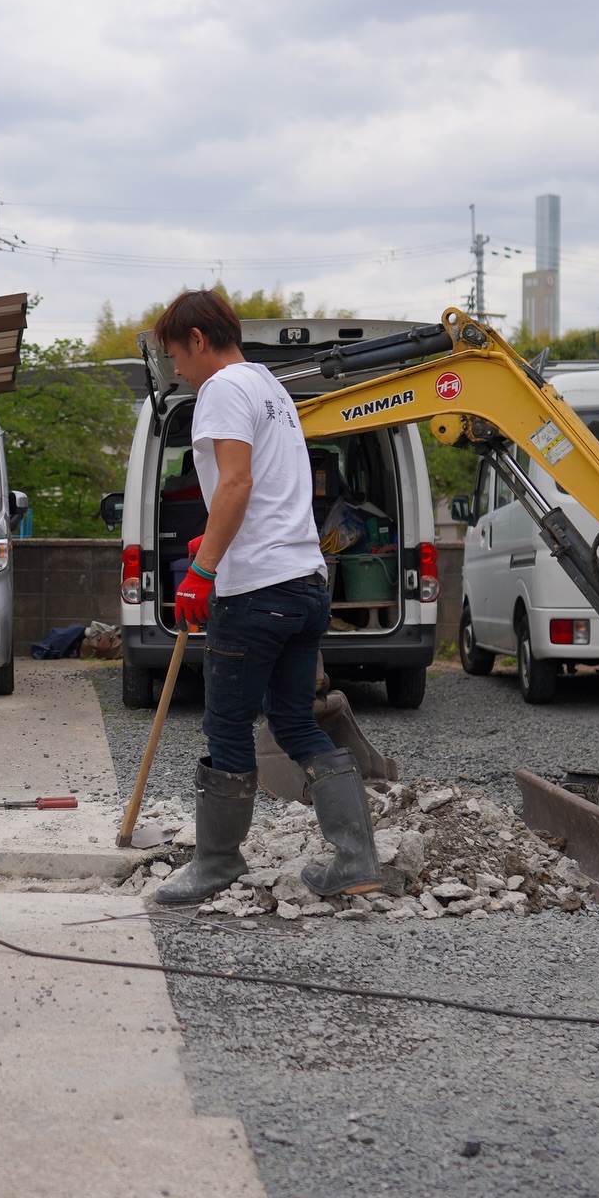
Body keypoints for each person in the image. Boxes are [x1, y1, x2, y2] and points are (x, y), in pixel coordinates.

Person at [150, 290, 380, 906]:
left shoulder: (221, 389)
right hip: (304, 582)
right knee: (296, 722)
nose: (178, 370)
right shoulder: (269, 386)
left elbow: (236, 482)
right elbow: (270, 489)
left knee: (227, 726)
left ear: (198, 339)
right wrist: (213, 542)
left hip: (256, 591)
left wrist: (201, 570)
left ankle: (217, 863)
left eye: (176, 355)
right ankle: (356, 858)